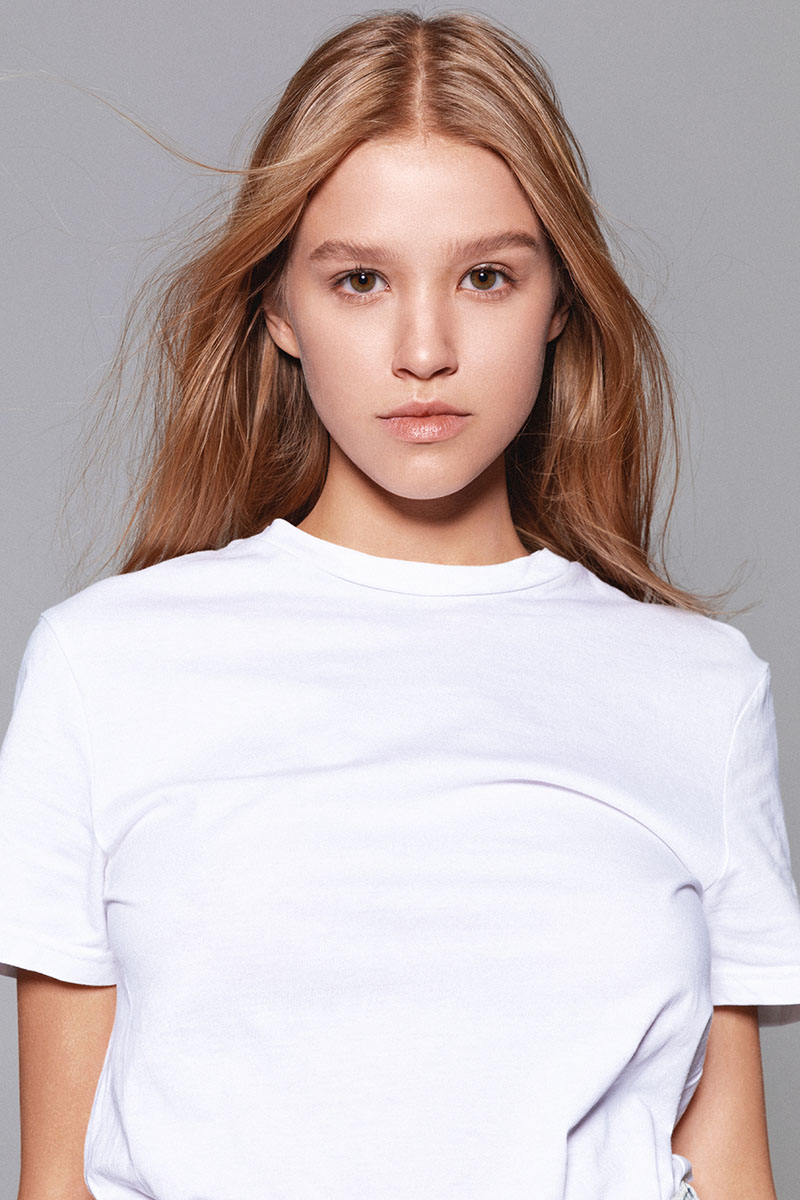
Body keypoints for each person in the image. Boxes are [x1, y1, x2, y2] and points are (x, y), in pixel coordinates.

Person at [2, 9, 799, 1200]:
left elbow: (727, 1163)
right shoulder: (104, 666)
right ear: (280, 309)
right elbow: (57, 1179)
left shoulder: (698, 688)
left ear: (558, 300)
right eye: (360, 280)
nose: (423, 349)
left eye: (485, 276)